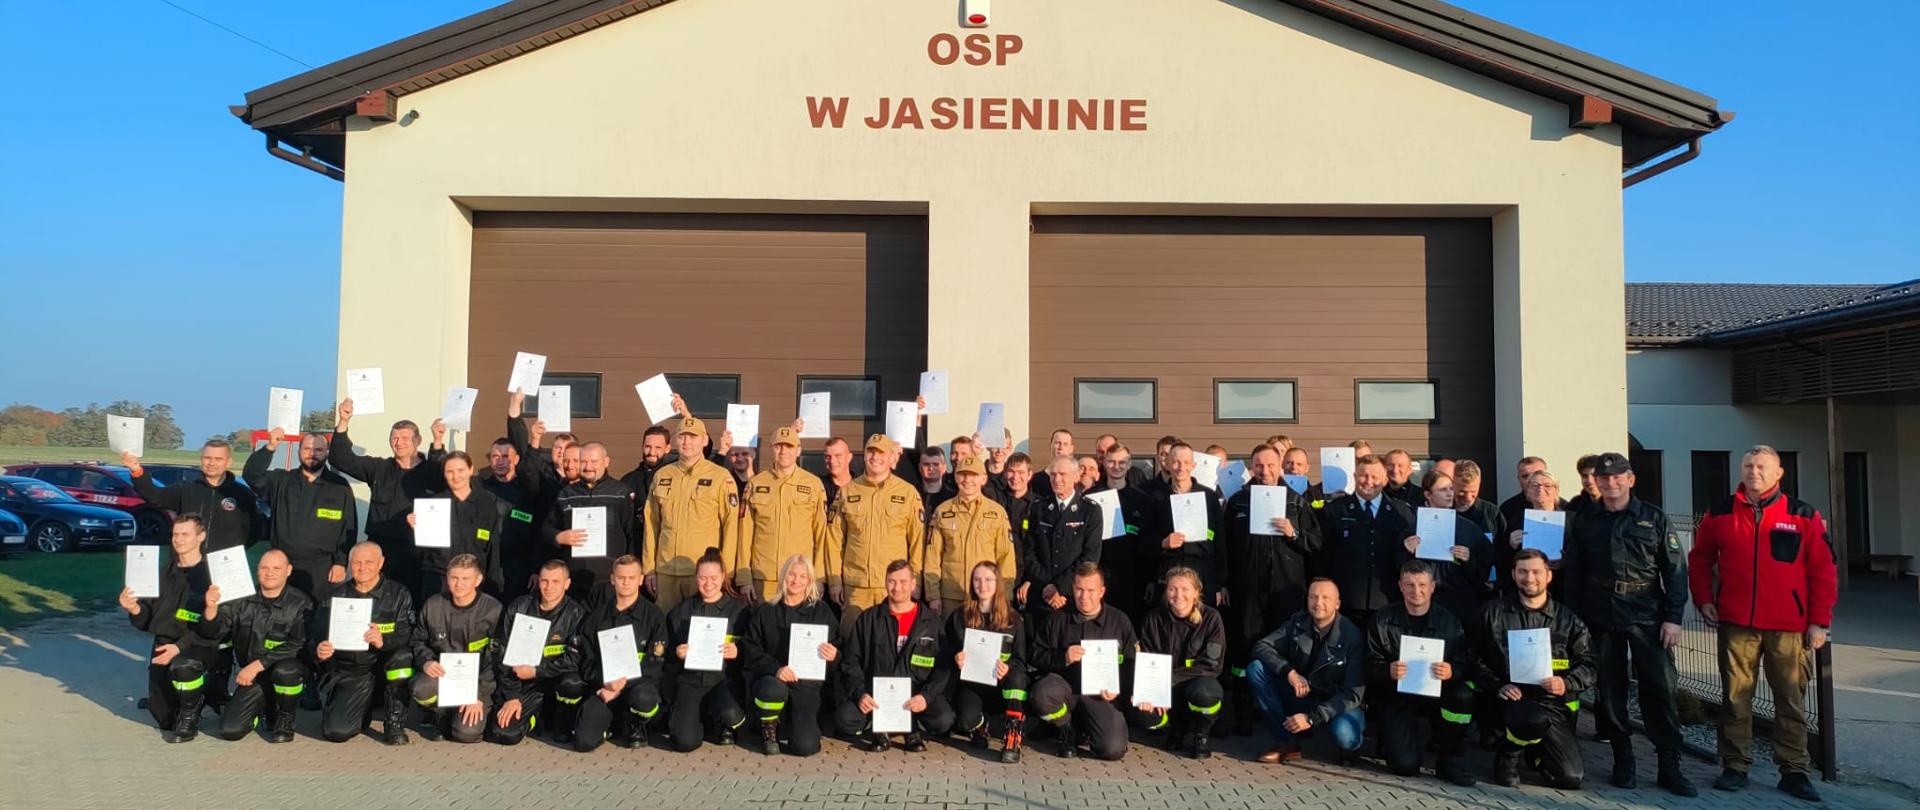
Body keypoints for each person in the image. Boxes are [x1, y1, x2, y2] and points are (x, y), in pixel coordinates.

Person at [1689, 445, 1834, 802]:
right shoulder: (1720, 512)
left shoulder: (1802, 515)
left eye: (1761, 466)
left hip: (1789, 625)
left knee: (1790, 700)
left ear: (1778, 473)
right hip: (1736, 622)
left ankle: (1794, 771)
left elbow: (1823, 570)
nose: (1753, 471)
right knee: (1736, 698)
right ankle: (1735, 765)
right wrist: (1704, 599)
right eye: (1748, 465)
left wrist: (1819, 622)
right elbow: (1700, 558)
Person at [1559, 452, 1695, 795]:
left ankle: (1669, 766)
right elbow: (1574, 574)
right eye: (1604, 478)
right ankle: (1624, 761)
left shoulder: (1654, 518)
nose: (1610, 483)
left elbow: (1675, 572)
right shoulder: (1585, 520)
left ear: (1630, 479)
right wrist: (1576, 622)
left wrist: (1673, 619)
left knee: (1660, 691)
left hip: (1647, 614)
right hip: (1599, 615)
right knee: (1610, 693)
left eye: (1617, 477)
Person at [1470, 549, 1595, 789]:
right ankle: (1508, 754)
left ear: (1549, 576)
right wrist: (1497, 685)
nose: (1530, 578)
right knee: (1529, 719)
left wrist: (1566, 683)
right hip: (1505, 699)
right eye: (1523, 572)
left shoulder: (1568, 620)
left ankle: (1533, 752)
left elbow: (1589, 662)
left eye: (1536, 572)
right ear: (1514, 575)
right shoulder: (1491, 614)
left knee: (1570, 777)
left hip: (1549, 701)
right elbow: (1469, 656)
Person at [1221, 444, 1321, 736]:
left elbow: (1316, 544)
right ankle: (1243, 715)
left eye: (1270, 465)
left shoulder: (1297, 501)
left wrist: (1293, 533)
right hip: (1247, 592)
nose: (1265, 471)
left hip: (1286, 593)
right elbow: (1225, 548)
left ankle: (1291, 715)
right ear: (1252, 467)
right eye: (1259, 466)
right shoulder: (1238, 502)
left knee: (1288, 654)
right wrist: (1225, 582)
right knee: (1245, 653)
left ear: (1280, 466)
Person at [1365, 562, 1482, 786]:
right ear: (1400, 586)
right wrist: (1386, 670)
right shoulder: (1381, 620)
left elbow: (1466, 662)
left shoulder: (1450, 621)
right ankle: (1390, 740)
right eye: (1409, 585)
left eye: (1421, 585)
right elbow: (1368, 665)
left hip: (1437, 693)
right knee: (1405, 766)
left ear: (1432, 587)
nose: (1415, 591)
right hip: (1396, 695)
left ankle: (1449, 759)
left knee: (1463, 696)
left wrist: (1452, 671)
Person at [329, 398, 447, 598]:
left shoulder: (431, 471)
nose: (398, 442)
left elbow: (445, 475)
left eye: (404, 437)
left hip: (418, 553)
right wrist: (344, 421)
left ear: (418, 441)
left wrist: (437, 441)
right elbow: (340, 459)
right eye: (394, 438)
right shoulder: (379, 468)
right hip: (382, 552)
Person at [118, 515, 217, 743]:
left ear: (201, 536)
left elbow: (218, 628)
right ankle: (194, 697)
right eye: (175, 534)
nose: (179, 540)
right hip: (163, 645)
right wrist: (133, 608)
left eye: (185, 534)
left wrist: (180, 647)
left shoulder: (212, 577)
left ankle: (191, 716)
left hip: (199, 645)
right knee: (164, 717)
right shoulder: (160, 574)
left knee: (183, 669)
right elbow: (145, 620)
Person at [836, 559, 953, 752]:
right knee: (845, 720)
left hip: (915, 695)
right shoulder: (869, 619)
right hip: (877, 697)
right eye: (891, 581)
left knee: (943, 720)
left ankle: (910, 727)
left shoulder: (931, 623)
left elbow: (942, 667)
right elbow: (851, 661)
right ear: (885, 583)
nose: (897, 587)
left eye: (903, 581)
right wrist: (861, 694)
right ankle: (880, 725)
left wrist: (926, 696)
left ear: (913, 585)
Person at [196, 548, 310, 743]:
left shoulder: (301, 603)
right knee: (230, 730)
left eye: (276, 567)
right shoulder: (241, 600)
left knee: (287, 672)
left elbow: (298, 644)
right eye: (264, 567)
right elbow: (214, 632)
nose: (270, 572)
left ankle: (285, 719)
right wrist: (211, 609)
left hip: (282, 671)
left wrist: (258, 664)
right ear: (257, 571)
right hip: (253, 677)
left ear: (288, 570)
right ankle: (262, 708)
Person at [1246, 579, 1366, 764]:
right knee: (1256, 669)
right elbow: (1262, 646)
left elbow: (1352, 694)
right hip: (1303, 694)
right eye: (1313, 597)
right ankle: (1285, 743)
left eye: (1326, 597)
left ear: (1337, 603)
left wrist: (1311, 718)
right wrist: (1289, 672)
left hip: (1337, 703)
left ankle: (1351, 749)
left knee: (1345, 735)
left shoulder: (1352, 636)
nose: (1318, 603)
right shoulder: (1298, 621)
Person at [1030, 563, 1138, 761]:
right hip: (1066, 687)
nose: (1084, 596)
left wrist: (1118, 689)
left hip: (1100, 695)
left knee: (1112, 749)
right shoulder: (1057, 618)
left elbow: (1132, 665)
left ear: (1102, 591)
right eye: (1079, 589)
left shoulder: (1119, 621)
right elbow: (1035, 653)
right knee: (1041, 694)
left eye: (1091, 590)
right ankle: (1065, 729)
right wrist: (1063, 657)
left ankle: (1087, 730)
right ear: (1072, 588)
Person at [313, 541, 417, 745]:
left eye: (369, 562)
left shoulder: (399, 594)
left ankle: (394, 723)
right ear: (350, 564)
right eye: (357, 562)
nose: (362, 568)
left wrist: (383, 640)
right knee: (336, 732)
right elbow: (317, 633)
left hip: (383, 669)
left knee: (403, 657)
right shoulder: (336, 596)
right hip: (352, 672)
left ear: (381, 563)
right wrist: (319, 649)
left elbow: (408, 633)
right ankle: (361, 708)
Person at [238, 429, 358, 600]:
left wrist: (341, 562)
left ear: (326, 453)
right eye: (307, 449)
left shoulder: (339, 486)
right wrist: (271, 446)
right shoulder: (281, 481)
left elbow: (349, 527)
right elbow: (252, 475)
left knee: (315, 619)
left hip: (322, 569)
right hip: (283, 565)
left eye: (318, 450)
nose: (312, 454)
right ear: (298, 451)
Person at [741, 554, 842, 756]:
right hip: (773, 680)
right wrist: (775, 669)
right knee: (771, 690)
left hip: (806, 684)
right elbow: (751, 650)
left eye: (802, 576)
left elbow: (838, 648)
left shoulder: (821, 612)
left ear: (810, 581)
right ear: (783, 577)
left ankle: (791, 723)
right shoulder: (766, 611)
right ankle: (768, 726)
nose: (796, 580)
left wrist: (834, 655)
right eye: (791, 574)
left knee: (805, 747)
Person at [824, 434, 925, 633]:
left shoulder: (907, 493)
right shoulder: (847, 492)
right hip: (855, 587)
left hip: (893, 587)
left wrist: (917, 582)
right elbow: (834, 541)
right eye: (871, 452)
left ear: (891, 457)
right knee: (852, 641)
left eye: (881, 453)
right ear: (864, 456)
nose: (875, 457)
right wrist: (835, 581)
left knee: (889, 643)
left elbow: (917, 542)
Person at [575, 555, 670, 751]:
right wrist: (606, 683)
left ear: (641, 579)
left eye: (632, 577)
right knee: (584, 742)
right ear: (612, 579)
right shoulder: (596, 618)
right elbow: (587, 661)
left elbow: (655, 662)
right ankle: (611, 724)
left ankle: (637, 723)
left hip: (639, 686)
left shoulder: (654, 616)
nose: (626, 582)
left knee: (645, 699)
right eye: (621, 577)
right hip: (606, 687)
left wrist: (622, 685)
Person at [645, 418, 740, 612]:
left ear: (705, 440)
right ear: (675, 441)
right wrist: (649, 569)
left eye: (693, 436)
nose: (687, 441)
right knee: (666, 628)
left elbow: (731, 527)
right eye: (682, 436)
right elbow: (651, 524)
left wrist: (725, 571)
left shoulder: (721, 477)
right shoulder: (662, 476)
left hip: (702, 573)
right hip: (666, 571)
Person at [489, 560, 589, 745]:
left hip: (556, 681)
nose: (549, 587)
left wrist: (538, 671)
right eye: (544, 581)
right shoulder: (519, 607)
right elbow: (502, 653)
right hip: (523, 684)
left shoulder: (577, 613)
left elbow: (575, 659)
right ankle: (535, 720)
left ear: (567, 584)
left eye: (556, 582)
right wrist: (512, 697)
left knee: (573, 683)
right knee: (504, 733)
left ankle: (563, 725)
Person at [409, 554, 503, 744]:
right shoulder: (433, 605)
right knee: (421, 688)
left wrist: (479, 695)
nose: (459, 584)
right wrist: (426, 661)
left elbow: (496, 659)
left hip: (477, 683)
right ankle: (440, 714)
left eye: (466, 578)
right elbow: (418, 640)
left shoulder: (493, 610)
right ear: (447, 578)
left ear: (478, 580)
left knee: (465, 734)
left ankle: (476, 713)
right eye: (454, 578)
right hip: (444, 677)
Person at [941, 561, 1030, 762]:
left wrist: (1008, 669)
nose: (983, 585)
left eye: (988, 580)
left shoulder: (1014, 619)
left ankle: (1013, 737)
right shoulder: (959, 617)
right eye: (977, 580)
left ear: (997, 583)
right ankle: (980, 727)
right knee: (964, 721)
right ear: (971, 583)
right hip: (973, 685)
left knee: (1017, 679)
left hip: (1003, 686)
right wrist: (956, 658)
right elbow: (945, 652)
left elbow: (1020, 661)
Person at [1135, 567, 1227, 759]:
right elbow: (1147, 659)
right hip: (1166, 688)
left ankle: (1201, 735)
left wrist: (1171, 677)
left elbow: (1212, 665)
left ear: (1196, 592)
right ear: (1165, 591)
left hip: (1197, 684)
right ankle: (1173, 729)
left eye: (1185, 589)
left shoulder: (1211, 618)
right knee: (1143, 714)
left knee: (1205, 693)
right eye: (1172, 589)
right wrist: (1148, 690)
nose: (1178, 595)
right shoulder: (1154, 618)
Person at [663, 548, 749, 751]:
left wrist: (739, 652)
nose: (708, 584)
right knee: (685, 742)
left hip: (723, 681)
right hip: (690, 681)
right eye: (702, 578)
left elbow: (754, 652)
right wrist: (677, 654)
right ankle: (698, 717)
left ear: (723, 577)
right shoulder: (680, 613)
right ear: (695, 578)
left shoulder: (740, 612)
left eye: (713, 578)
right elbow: (666, 659)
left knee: (731, 714)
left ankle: (722, 722)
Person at [1316, 455, 1414, 628]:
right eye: (1363, 475)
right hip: (1345, 601)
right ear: (1354, 477)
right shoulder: (1334, 510)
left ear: (1384, 479)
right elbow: (1322, 557)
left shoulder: (1402, 514)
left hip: (1387, 601)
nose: (1369, 481)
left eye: (1375, 477)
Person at [736, 426, 830, 604]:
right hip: (763, 578)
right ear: (772, 448)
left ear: (798, 450)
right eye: (779, 446)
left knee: (797, 629)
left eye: (789, 446)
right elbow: (744, 534)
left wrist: (818, 578)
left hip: (799, 579)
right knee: (763, 629)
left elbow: (822, 535)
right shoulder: (756, 484)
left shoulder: (813, 485)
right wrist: (744, 577)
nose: (783, 451)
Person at [407, 451, 508, 602]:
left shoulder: (486, 503)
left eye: (460, 470)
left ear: (471, 470)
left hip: (474, 581)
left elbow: (493, 548)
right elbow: (421, 553)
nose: (456, 476)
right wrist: (415, 530)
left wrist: (494, 584)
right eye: (450, 471)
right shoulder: (433, 505)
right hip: (440, 581)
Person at [123, 439, 257, 550]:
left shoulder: (242, 494)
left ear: (228, 462)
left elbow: (255, 530)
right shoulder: (185, 489)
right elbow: (154, 496)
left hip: (225, 565)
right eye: (207, 458)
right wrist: (136, 470)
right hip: (188, 565)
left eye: (218, 459)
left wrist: (236, 550)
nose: (211, 463)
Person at [545, 441, 638, 601]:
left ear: (606, 461)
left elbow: (634, 534)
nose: (588, 467)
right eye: (583, 461)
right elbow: (547, 529)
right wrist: (558, 537)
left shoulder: (621, 493)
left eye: (594, 462)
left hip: (609, 581)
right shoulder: (566, 493)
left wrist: (628, 573)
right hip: (574, 580)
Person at [924, 456, 1017, 615]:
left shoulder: (997, 513)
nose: (967, 480)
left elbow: (1005, 557)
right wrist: (933, 595)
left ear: (983, 479)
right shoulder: (942, 511)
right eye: (963, 474)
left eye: (973, 475)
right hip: (950, 597)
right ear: (955, 477)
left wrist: (1005, 596)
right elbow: (932, 558)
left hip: (986, 596)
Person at [1136, 443, 1223, 610]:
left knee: (1201, 623)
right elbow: (1143, 540)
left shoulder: (1209, 497)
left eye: (1185, 462)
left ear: (1193, 465)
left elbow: (1220, 540)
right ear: (1167, 464)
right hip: (1167, 570)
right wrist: (1163, 543)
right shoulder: (1155, 499)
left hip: (1202, 571)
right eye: (1175, 462)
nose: (1180, 467)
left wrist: (1220, 582)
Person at [1401, 469, 1494, 623]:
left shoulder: (1468, 527)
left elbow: (1486, 565)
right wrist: (1408, 552)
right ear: (1428, 495)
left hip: (1460, 604)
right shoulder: (1412, 527)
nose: (1450, 493)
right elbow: (1399, 567)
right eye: (1443, 490)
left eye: (1451, 488)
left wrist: (1469, 558)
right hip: (1424, 603)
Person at [1020, 457, 1102, 619]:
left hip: (1070, 597)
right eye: (1053, 474)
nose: (1057, 479)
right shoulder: (1039, 508)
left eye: (1062, 474)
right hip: (1041, 594)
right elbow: (1030, 552)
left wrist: (1059, 587)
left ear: (1076, 476)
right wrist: (1047, 586)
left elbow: (1090, 556)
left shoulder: (1090, 510)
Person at [481, 424, 542, 604]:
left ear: (516, 459)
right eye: (495, 456)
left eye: (505, 456)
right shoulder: (480, 489)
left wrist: (536, 569)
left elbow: (539, 533)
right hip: (488, 565)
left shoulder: (529, 490)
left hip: (521, 567)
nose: (500, 461)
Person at [1496, 470, 1567, 596]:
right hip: (1526, 587)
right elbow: (1502, 560)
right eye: (1534, 485)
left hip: (1561, 587)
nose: (1540, 489)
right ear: (1527, 491)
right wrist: (1511, 545)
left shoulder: (1570, 520)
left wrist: (1566, 561)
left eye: (1547, 486)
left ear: (1556, 490)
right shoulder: (1516, 520)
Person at [1497, 456, 1556, 537]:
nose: (1531, 480)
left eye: (1538, 474)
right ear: (1519, 479)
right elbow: (1499, 543)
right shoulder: (1507, 509)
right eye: (1525, 476)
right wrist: (1510, 544)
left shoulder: (1566, 508)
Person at [1451, 461, 1499, 537]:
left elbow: (1504, 544)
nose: (1468, 497)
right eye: (1462, 491)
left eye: (1473, 491)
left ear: (1479, 484)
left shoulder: (1491, 512)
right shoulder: (1441, 511)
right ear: (1452, 484)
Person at [914, 446, 956, 523]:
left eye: (936, 464)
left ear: (944, 468)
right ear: (920, 468)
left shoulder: (953, 499)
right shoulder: (911, 495)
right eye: (926, 464)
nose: (931, 468)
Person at [819, 437, 855, 510]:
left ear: (849, 457)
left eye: (838, 456)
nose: (832, 461)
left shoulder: (861, 486)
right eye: (828, 457)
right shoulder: (818, 486)